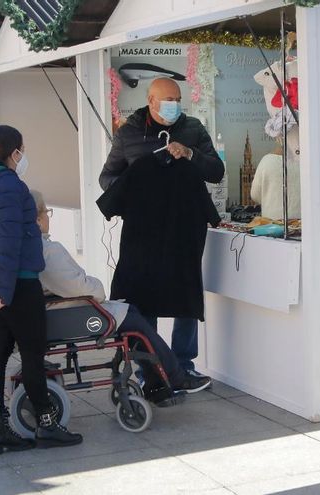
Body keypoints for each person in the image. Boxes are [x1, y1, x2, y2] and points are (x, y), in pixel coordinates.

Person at [0, 125, 82, 454]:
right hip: (13, 278)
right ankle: (47, 425)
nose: (23, 156)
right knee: (32, 352)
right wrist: (2, 291)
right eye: (21, 150)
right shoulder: (9, 185)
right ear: (14, 153)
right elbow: (8, 240)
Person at [31, 190, 212, 401]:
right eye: (47, 212)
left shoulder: (32, 246)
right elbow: (81, 288)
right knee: (135, 323)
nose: (48, 217)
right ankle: (174, 375)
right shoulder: (47, 251)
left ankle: (158, 378)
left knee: (132, 315)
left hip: (61, 309)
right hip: (71, 313)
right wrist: (98, 286)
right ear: (37, 219)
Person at [99, 77, 224, 378]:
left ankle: (183, 365)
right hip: (144, 230)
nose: (174, 105)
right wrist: (141, 187)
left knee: (185, 294)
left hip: (185, 227)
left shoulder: (192, 128)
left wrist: (191, 154)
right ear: (151, 101)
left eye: (178, 99)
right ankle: (149, 368)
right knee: (145, 296)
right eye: (168, 100)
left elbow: (216, 171)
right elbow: (108, 179)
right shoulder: (129, 133)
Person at [250, 137, 301, 220]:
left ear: (277, 138)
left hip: (273, 224)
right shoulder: (307, 161)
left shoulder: (267, 161)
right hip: (302, 223)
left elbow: (255, 195)